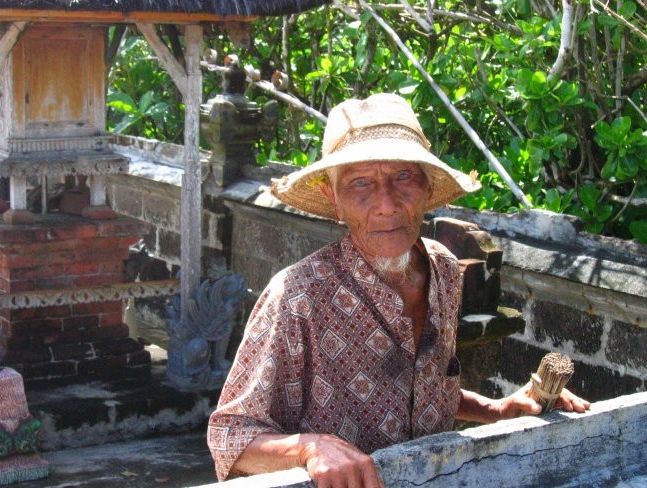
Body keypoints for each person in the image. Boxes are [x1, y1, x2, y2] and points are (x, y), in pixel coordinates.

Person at [207, 93, 590, 487]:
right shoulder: (297, 295)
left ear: (427, 188)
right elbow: (228, 436)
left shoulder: (442, 269)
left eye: (403, 176)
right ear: (333, 199)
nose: (387, 204)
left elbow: (427, 395)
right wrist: (311, 448)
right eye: (360, 183)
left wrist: (498, 409)